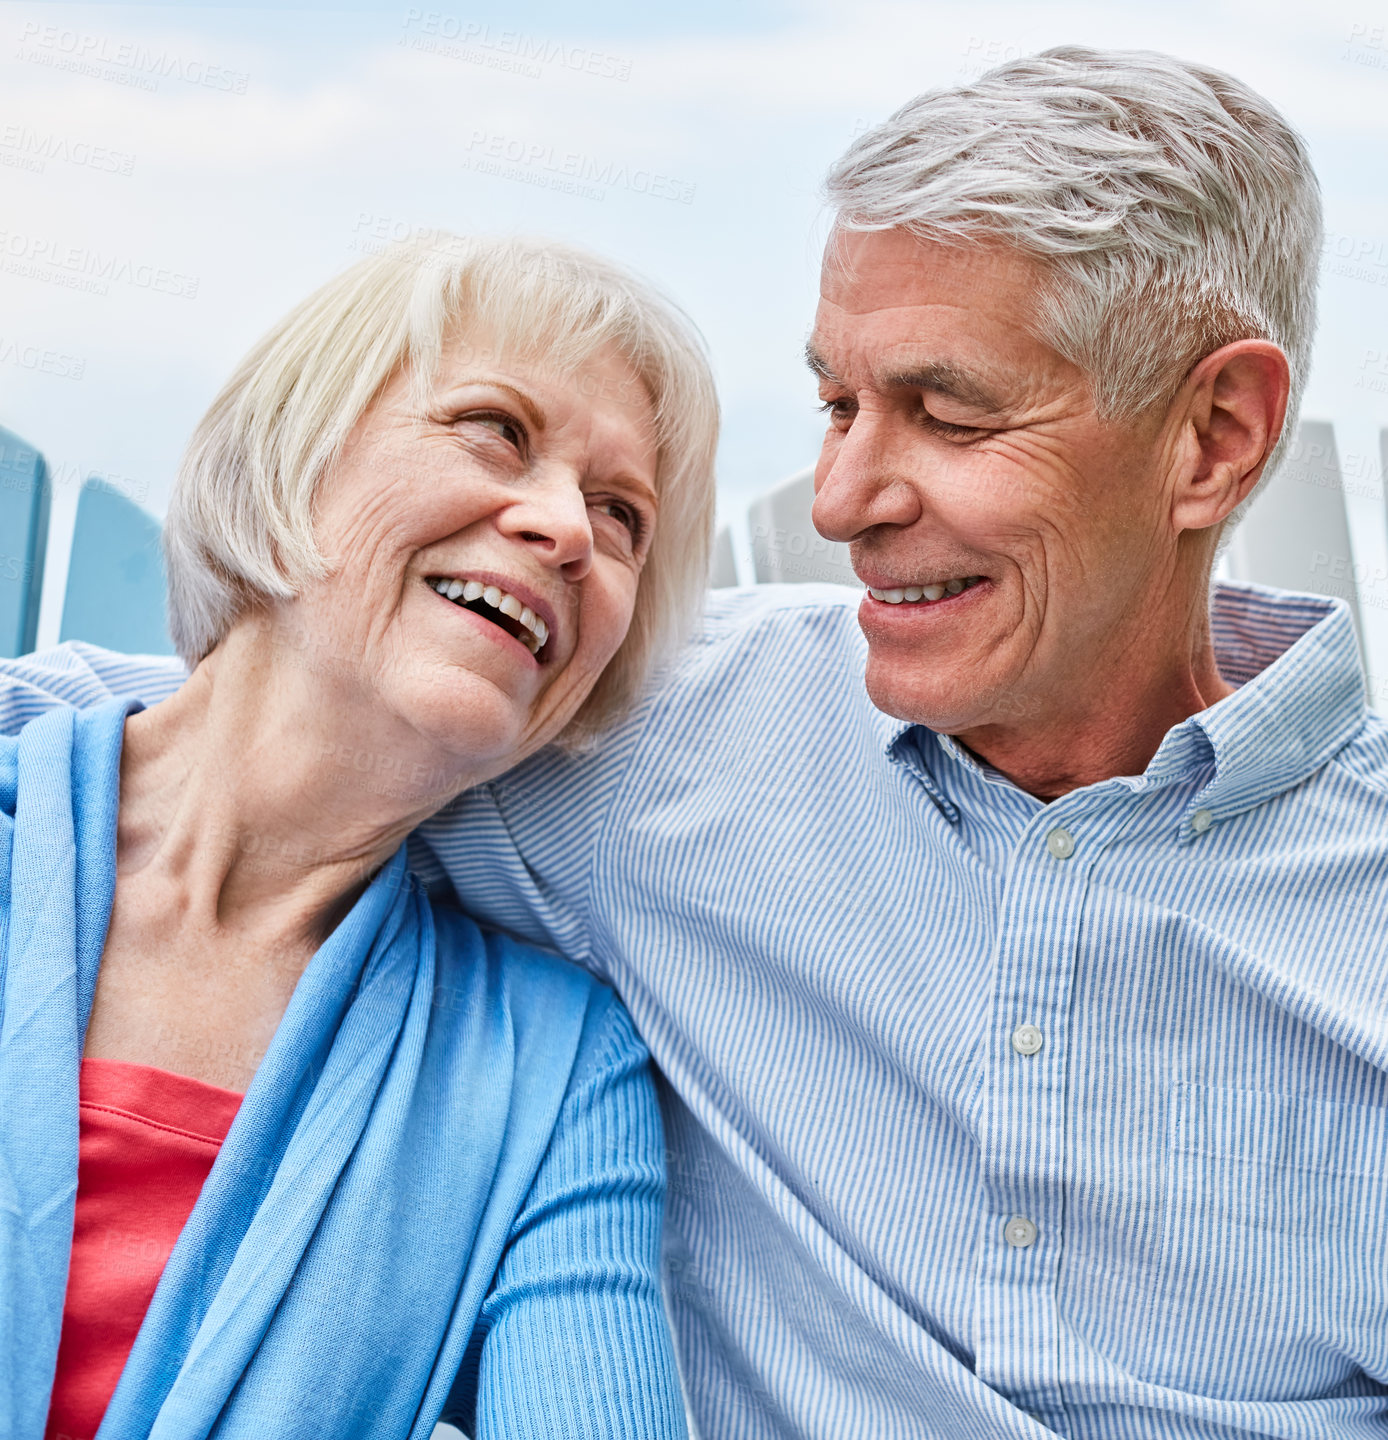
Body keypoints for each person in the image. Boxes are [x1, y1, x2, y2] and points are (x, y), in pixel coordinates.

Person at [7, 44, 1386, 1440]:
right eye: (838, 408)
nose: (841, 500)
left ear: (1214, 437)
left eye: (948, 413)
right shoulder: (653, 746)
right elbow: (259, 722)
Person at [0, 232, 719, 1440]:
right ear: (296, 447)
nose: (568, 531)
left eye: (621, 515)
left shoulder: (552, 1071)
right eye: (496, 429)